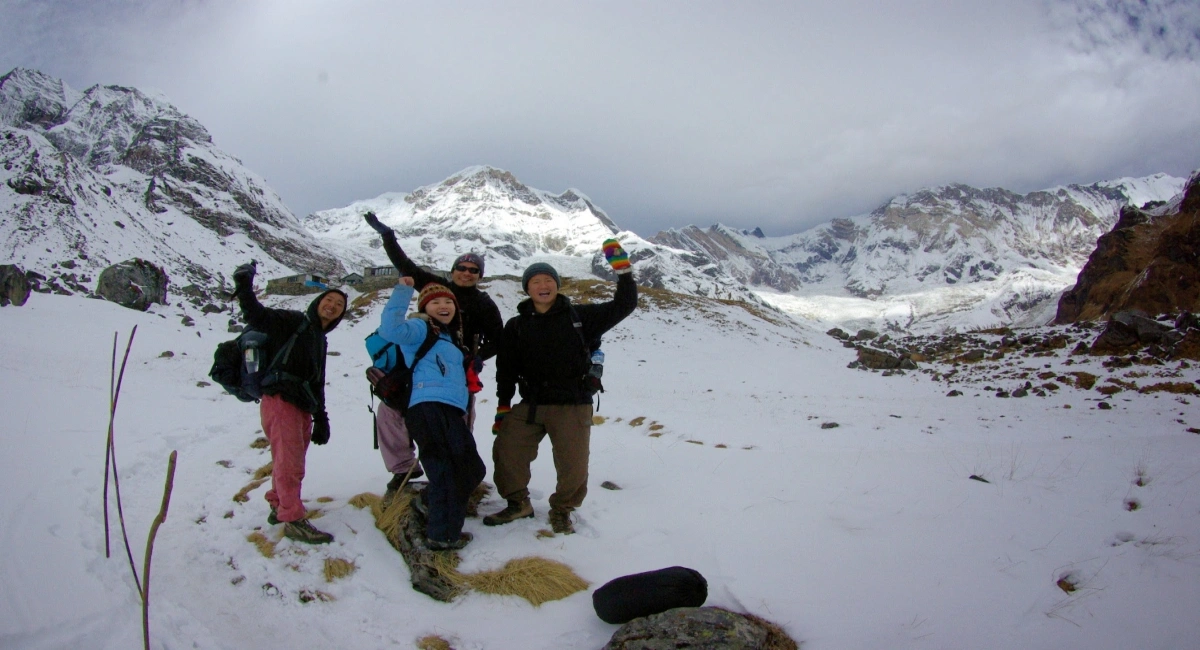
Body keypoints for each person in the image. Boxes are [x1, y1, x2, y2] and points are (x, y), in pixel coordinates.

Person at [485, 239, 637, 534]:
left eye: (548, 280)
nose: (543, 285)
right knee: (507, 450)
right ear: (527, 289)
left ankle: (563, 510)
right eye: (535, 281)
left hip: (572, 404)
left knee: (573, 466)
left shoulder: (581, 317)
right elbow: (505, 370)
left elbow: (625, 305)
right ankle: (518, 503)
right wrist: (504, 406)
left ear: (556, 285)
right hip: (530, 405)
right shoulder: (516, 326)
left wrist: (624, 273)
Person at [231, 262, 347, 545]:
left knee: (290, 461)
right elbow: (257, 315)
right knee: (289, 463)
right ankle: (293, 518)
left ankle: (277, 503)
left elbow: (316, 382)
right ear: (317, 302)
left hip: (302, 405)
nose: (332, 305)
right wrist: (244, 286)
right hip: (281, 401)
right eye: (328, 299)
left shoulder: (319, 338)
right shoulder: (293, 321)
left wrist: (322, 419)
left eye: (339, 304)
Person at [376, 278, 487, 551]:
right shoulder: (420, 327)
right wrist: (403, 291)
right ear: (425, 308)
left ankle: (427, 502)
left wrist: (469, 363)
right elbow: (390, 329)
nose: (443, 305)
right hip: (426, 406)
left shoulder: (451, 339)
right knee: (443, 469)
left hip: (450, 410)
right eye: (435, 301)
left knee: (472, 469)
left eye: (448, 301)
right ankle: (442, 535)